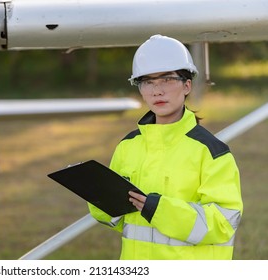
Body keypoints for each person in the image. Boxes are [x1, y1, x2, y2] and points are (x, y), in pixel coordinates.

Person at [88, 34, 243, 260]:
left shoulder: (211, 151)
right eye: (147, 82)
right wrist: (98, 196)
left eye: (167, 79)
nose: (156, 90)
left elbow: (223, 223)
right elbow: (118, 220)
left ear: (187, 85)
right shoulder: (128, 146)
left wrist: (160, 209)